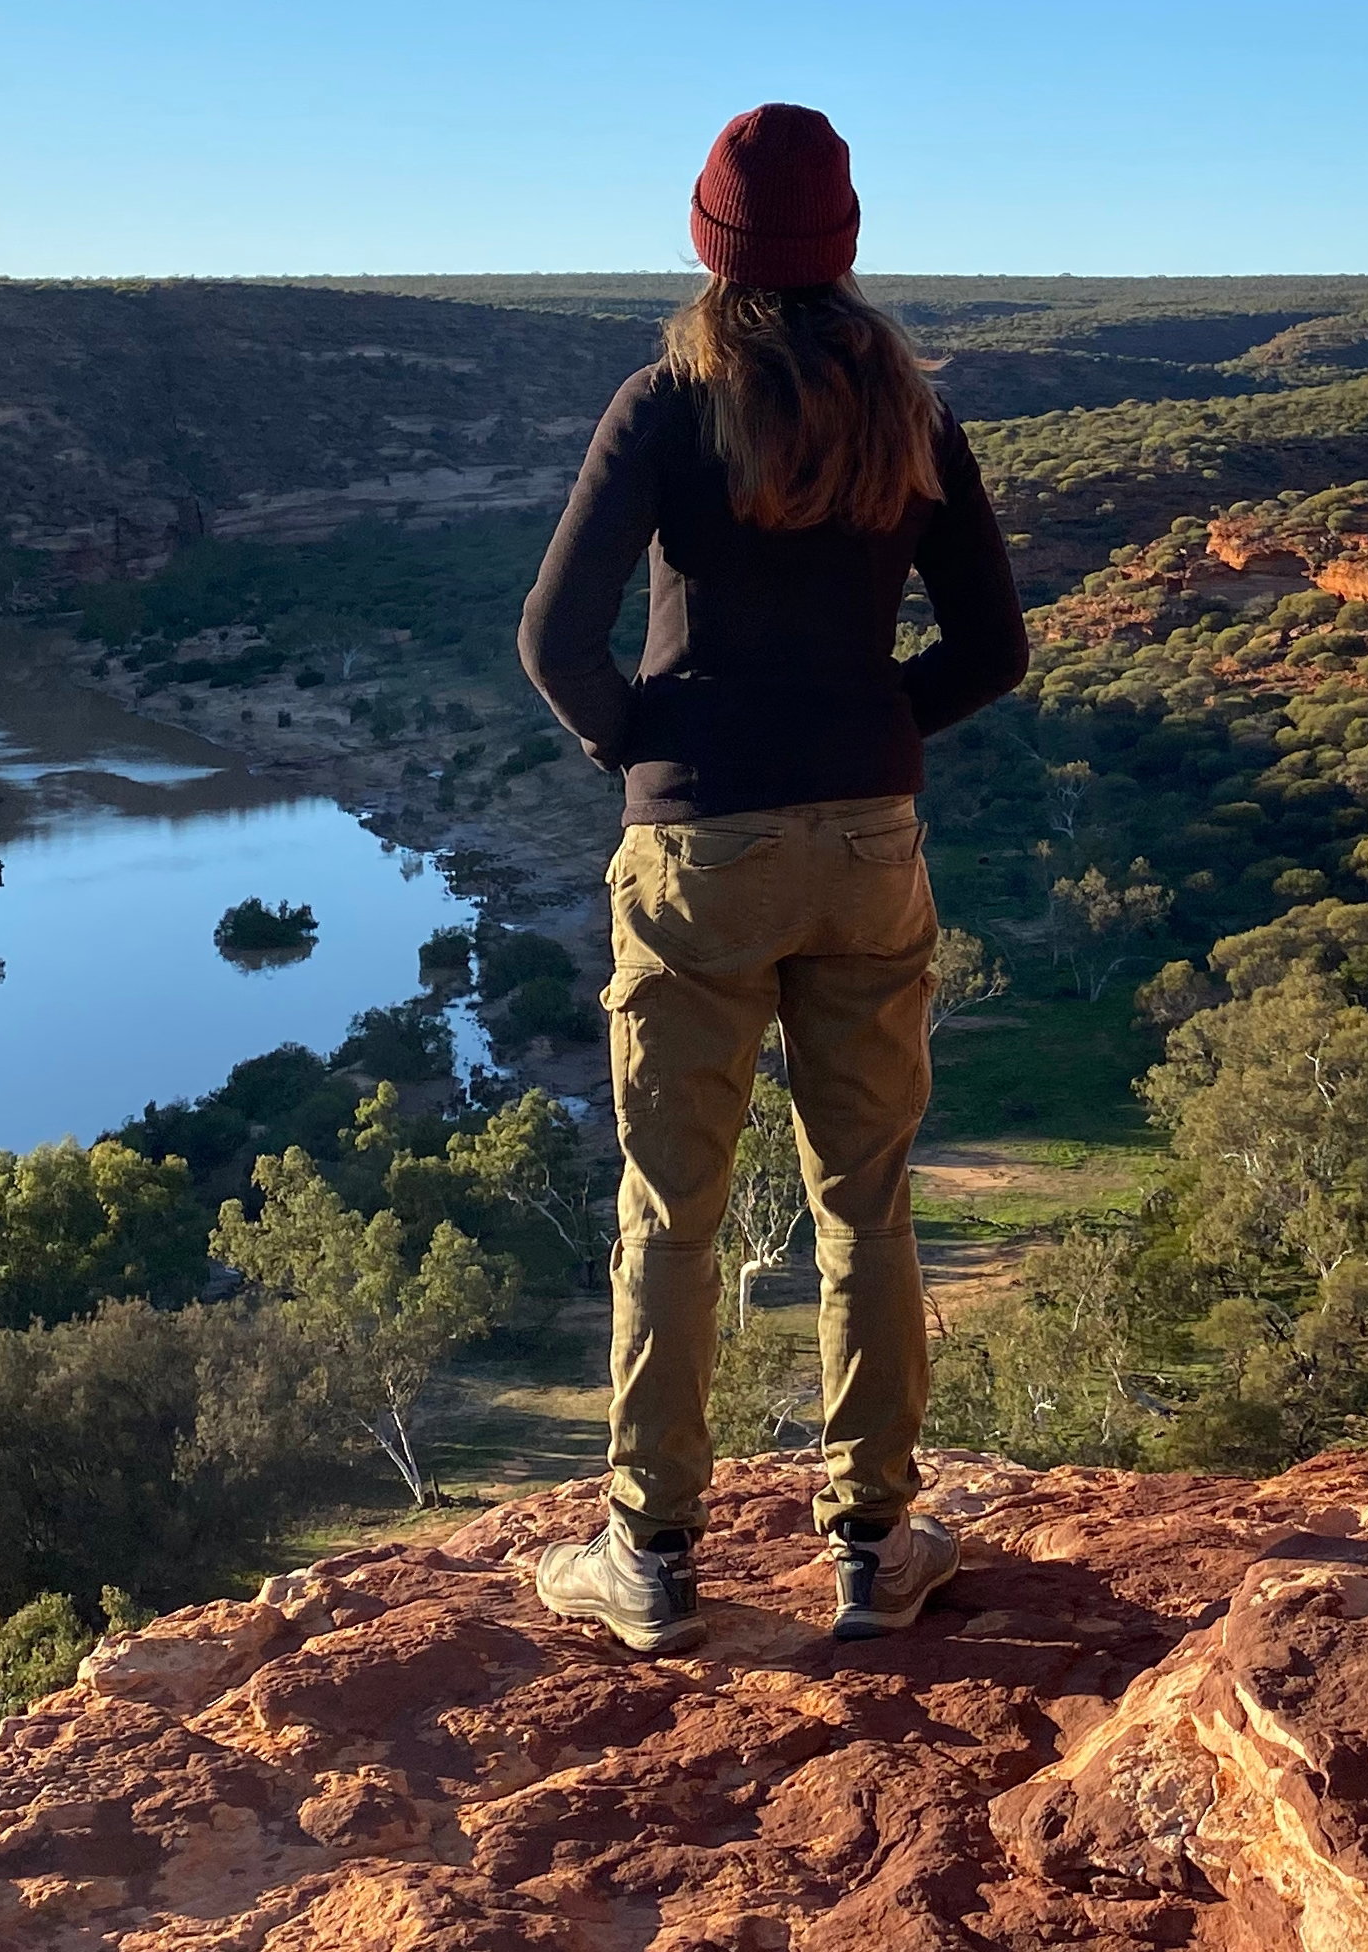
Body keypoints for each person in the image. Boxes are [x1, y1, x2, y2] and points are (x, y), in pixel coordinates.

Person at [513, 102, 1029, 1652]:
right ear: (846, 241)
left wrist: (652, 763)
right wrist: (874, 736)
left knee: (673, 1206)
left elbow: (555, 644)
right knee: (864, 1197)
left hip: (700, 851)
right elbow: (993, 651)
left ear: (711, 241)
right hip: (869, 843)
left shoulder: (667, 401)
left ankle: (651, 1555)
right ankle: (874, 1544)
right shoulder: (912, 412)